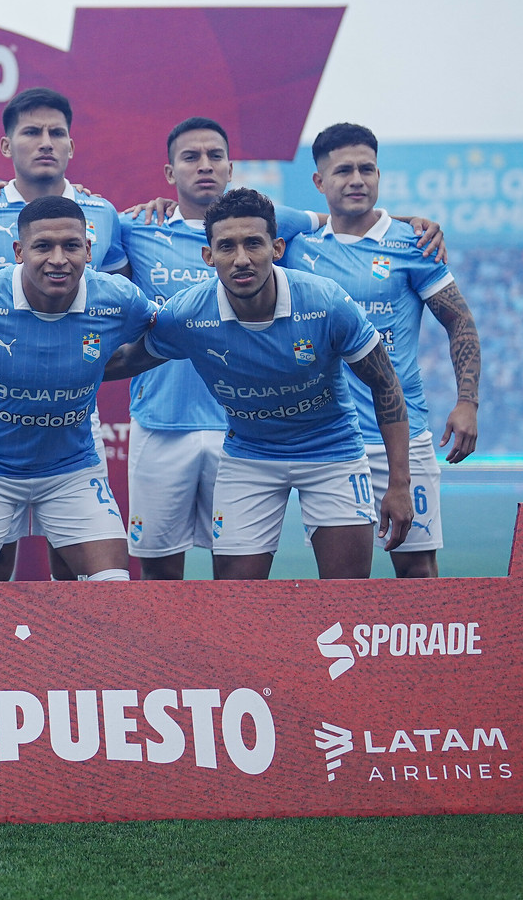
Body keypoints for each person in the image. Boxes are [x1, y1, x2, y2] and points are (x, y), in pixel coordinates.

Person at [120, 117, 448, 580]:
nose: (241, 258)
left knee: (347, 594)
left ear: (277, 247)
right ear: (208, 256)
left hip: (332, 451)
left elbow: (385, 382)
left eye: (254, 244)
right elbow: (123, 360)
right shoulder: (186, 309)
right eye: (227, 247)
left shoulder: (326, 301)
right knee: (236, 598)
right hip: (249, 455)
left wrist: (399, 482)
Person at [0, 87, 130, 581]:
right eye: (32, 132)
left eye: (57, 132)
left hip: (73, 426)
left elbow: (122, 306)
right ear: (6, 145)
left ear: (72, 144)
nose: (46, 142)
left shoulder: (102, 214)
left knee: (77, 575)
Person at [286, 123, 482, 577]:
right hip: (329, 442)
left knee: (417, 571)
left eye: (367, 169)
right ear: (319, 181)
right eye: (343, 171)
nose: (357, 179)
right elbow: (233, 216)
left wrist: (467, 402)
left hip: (402, 436)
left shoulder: (414, 243)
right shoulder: (294, 247)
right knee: (343, 581)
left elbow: (459, 321)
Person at [0, 196, 151, 582]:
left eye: (71, 246)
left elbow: (167, 337)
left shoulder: (119, 299)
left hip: (71, 470)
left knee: (114, 589)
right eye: (43, 246)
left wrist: (91, 372)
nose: (58, 259)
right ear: (19, 251)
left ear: (88, 249)